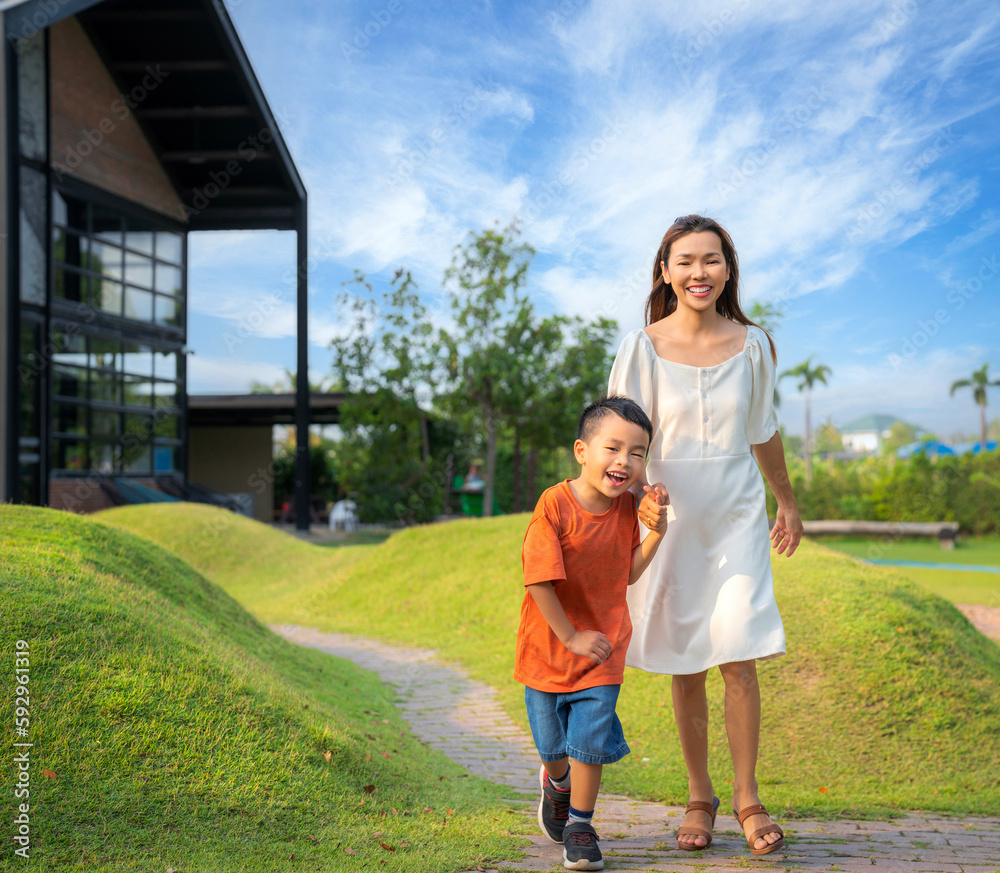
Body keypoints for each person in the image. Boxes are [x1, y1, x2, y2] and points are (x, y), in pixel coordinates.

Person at [608, 214, 803, 857]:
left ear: (728, 269)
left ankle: (749, 797)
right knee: (686, 661)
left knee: (738, 653)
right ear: (665, 269)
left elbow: (763, 429)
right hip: (670, 519)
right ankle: (700, 796)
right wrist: (630, 509)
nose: (700, 272)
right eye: (686, 261)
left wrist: (787, 501)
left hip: (737, 513)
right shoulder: (641, 346)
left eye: (712, 260)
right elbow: (623, 440)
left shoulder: (754, 344)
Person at [514, 396, 669, 870]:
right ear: (582, 451)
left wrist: (657, 533)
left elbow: (627, 573)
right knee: (552, 746)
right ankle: (556, 783)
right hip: (548, 649)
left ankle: (581, 825)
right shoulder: (553, 505)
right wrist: (570, 635)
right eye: (613, 448)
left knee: (589, 741)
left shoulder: (627, 510)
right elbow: (539, 579)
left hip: (603, 649)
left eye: (637, 452)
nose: (624, 461)